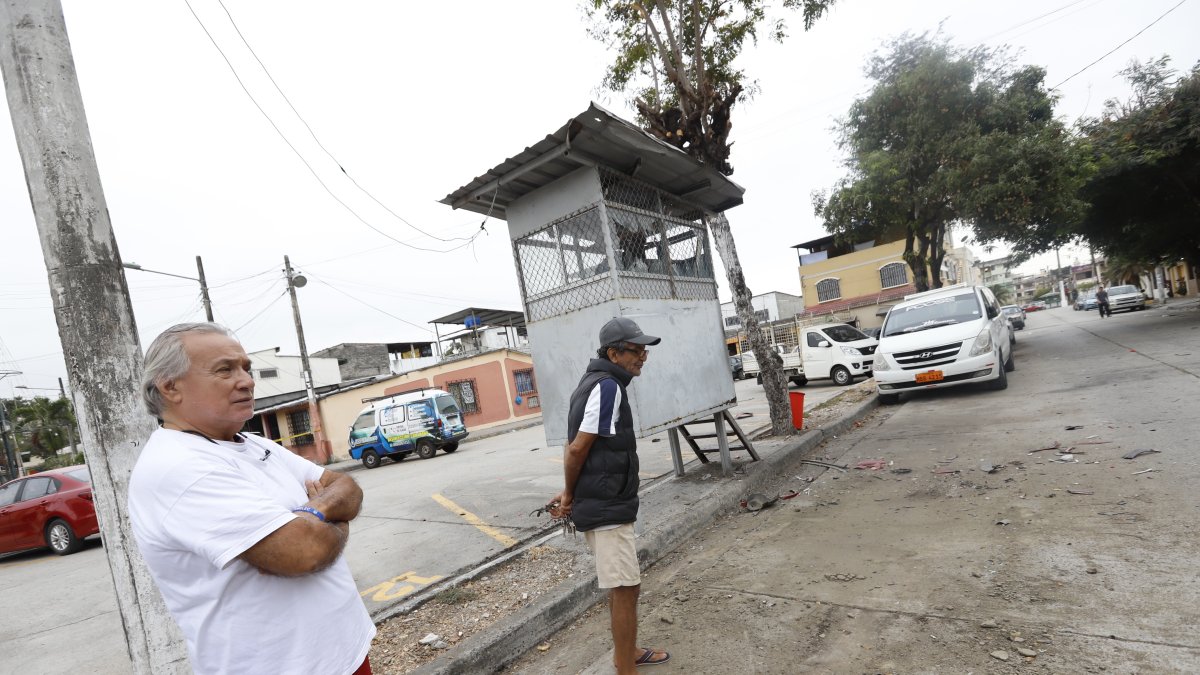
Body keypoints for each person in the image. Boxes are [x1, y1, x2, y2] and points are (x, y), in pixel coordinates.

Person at [127, 323, 375, 675]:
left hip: (341, 653)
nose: (246, 380)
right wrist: (328, 521)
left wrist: (311, 514)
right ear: (170, 387)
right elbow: (303, 552)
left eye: (246, 367)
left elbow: (347, 488)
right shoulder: (179, 467)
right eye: (224, 370)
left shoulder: (253, 444)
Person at [549, 317, 670, 673]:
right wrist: (570, 495)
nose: (643, 357)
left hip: (606, 500)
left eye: (645, 350)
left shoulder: (597, 382)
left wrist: (570, 490)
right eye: (636, 350)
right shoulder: (608, 387)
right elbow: (576, 449)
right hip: (607, 507)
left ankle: (628, 654)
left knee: (625, 585)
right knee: (625, 587)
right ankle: (625, 666)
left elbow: (585, 450)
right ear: (614, 353)